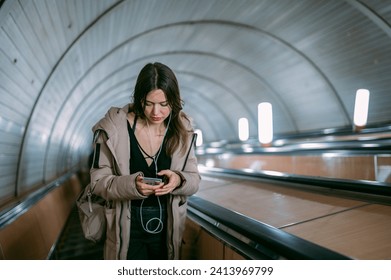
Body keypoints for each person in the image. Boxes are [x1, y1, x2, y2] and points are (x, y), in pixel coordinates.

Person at [89, 62, 200, 260]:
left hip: (169, 226)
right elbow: (98, 182)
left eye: (164, 104)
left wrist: (179, 179)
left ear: (174, 101)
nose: (156, 112)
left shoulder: (183, 130)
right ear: (139, 99)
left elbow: (194, 180)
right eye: (149, 103)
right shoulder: (113, 128)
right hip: (126, 224)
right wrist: (132, 186)